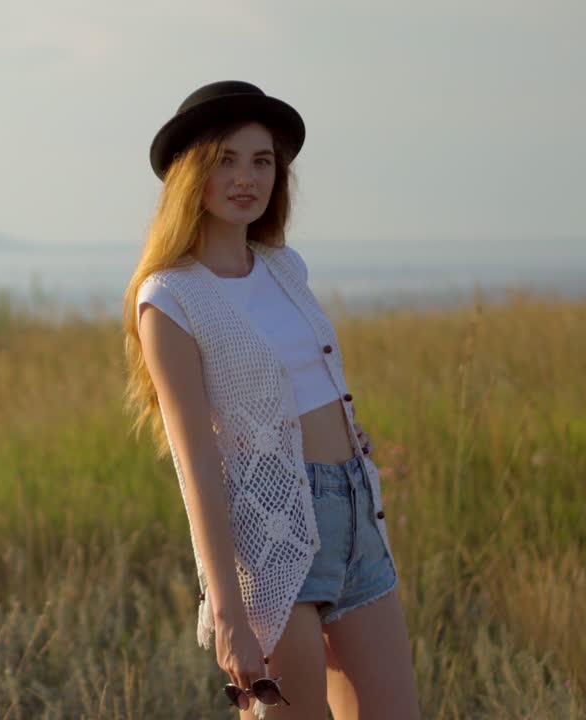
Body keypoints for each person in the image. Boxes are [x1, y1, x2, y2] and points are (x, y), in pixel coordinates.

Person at [122, 81, 422, 718]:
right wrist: (225, 605)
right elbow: (195, 460)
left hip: (355, 513)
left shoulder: (285, 267)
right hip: (271, 532)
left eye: (262, 161)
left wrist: (348, 433)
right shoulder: (170, 297)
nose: (246, 178)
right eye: (226, 160)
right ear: (190, 173)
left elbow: (310, 379)